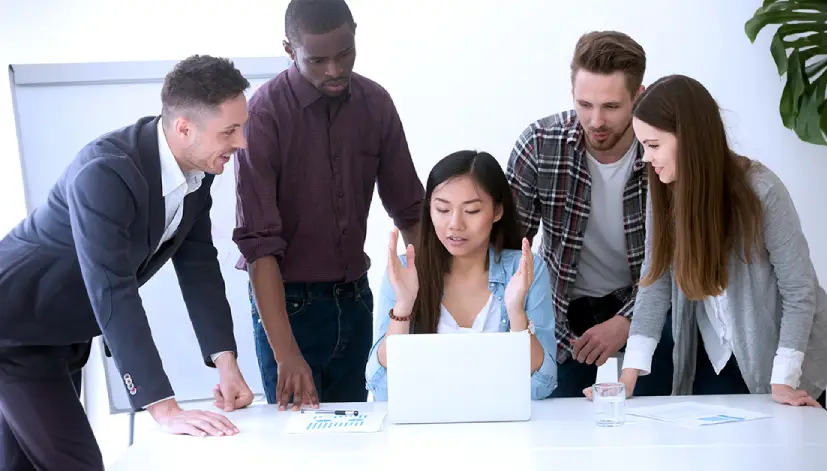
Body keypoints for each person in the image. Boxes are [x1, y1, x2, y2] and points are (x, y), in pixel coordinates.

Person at [0, 54, 256, 469]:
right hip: (16, 330)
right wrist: (163, 407)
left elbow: (199, 267)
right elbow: (113, 288)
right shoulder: (105, 172)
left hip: (62, 330)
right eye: (230, 131)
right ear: (184, 128)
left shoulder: (198, 174)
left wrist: (226, 363)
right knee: (77, 463)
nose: (241, 142)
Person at [615, 74, 827, 407]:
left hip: (784, 359)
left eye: (653, 145)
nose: (645, 157)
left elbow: (800, 291)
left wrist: (784, 380)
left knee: (781, 456)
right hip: (717, 356)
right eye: (642, 145)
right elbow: (654, 281)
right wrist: (626, 381)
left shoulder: (762, 191)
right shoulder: (665, 193)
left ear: (690, 139)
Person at [232, 0, 425, 411]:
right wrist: (285, 353)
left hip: (355, 302)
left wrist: (430, 304)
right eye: (317, 60)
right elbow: (259, 245)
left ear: (355, 32)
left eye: (345, 54)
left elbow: (411, 212)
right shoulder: (262, 116)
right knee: (296, 443)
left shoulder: (376, 104)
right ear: (289, 49)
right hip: (288, 307)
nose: (334, 70)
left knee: (357, 438)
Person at [506, 31, 674, 398]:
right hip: (563, 309)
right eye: (585, 104)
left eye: (611, 107)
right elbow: (509, 253)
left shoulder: (665, 153)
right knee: (555, 428)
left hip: (650, 307)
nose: (595, 121)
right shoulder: (540, 144)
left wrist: (627, 321)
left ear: (638, 96)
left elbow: (678, 258)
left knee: (651, 429)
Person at [365, 151, 557, 400]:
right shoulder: (406, 272)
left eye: (472, 211)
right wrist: (403, 304)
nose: (455, 224)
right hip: (424, 430)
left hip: (505, 430)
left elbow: (542, 384)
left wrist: (516, 311)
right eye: (443, 209)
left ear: (497, 211)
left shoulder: (523, 270)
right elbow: (381, 386)